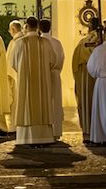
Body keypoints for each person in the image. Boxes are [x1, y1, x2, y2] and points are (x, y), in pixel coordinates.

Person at [8, 17, 57, 146]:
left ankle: (26, 138)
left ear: (26, 26)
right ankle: (44, 137)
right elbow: (53, 61)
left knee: (26, 106)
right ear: (37, 27)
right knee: (42, 104)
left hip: (26, 82)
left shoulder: (20, 43)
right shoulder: (45, 43)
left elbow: (13, 63)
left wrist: (23, 71)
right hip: (43, 82)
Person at [72, 19, 99, 143]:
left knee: (86, 102)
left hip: (84, 75)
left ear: (89, 27)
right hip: (99, 76)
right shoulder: (103, 41)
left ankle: (87, 131)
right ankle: (100, 132)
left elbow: (75, 63)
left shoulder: (83, 41)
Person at [39, 19, 65, 140]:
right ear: (50, 28)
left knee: (44, 102)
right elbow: (61, 59)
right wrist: (57, 70)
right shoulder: (57, 43)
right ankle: (56, 131)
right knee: (55, 102)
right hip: (55, 74)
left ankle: (45, 131)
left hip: (42, 76)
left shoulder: (39, 42)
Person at [5, 20, 24, 134]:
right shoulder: (24, 40)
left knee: (15, 103)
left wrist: (9, 76)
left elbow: (11, 63)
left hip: (15, 78)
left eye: (9, 29)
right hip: (22, 76)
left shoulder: (15, 42)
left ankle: (15, 126)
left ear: (13, 29)